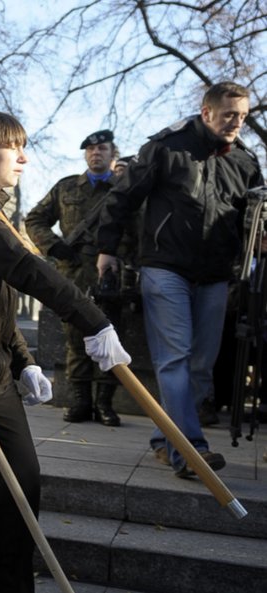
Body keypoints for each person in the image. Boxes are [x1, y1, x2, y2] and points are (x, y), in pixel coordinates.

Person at [0, 111, 130, 593]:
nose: (24, 158)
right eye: (15, 148)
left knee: (21, 487)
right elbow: (22, 267)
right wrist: (90, 318)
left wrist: (25, 359)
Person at [96, 82, 264, 478]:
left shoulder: (245, 161)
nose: (237, 123)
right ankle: (191, 453)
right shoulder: (167, 147)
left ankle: (164, 439)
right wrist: (108, 249)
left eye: (242, 116)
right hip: (165, 268)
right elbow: (123, 196)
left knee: (202, 368)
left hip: (215, 275)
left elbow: (251, 218)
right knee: (175, 359)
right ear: (206, 112)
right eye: (229, 115)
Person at [25, 129, 128, 426]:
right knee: (75, 339)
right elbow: (34, 218)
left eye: (102, 148)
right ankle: (80, 401)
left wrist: (121, 255)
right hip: (72, 274)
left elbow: (138, 228)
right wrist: (53, 245)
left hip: (110, 275)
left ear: (113, 154)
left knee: (111, 338)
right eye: (91, 149)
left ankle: (105, 404)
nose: (96, 153)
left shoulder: (124, 189)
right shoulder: (66, 187)